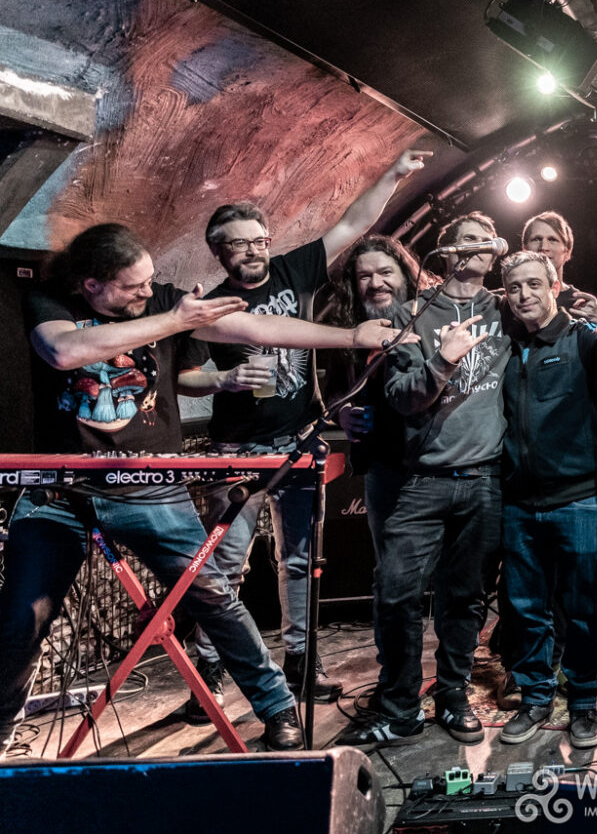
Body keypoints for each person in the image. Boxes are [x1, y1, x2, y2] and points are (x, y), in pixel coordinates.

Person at [0, 223, 399, 756]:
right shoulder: (50, 301)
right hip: (61, 494)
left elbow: (255, 327)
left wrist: (350, 337)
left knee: (215, 597)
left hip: (150, 489)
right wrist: (176, 320)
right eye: (134, 286)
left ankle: (277, 707)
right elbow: (63, 351)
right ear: (92, 285)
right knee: (19, 619)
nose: (148, 292)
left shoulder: (164, 301)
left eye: (150, 282)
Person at [180, 149, 430, 713]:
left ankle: (301, 662)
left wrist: (393, 175)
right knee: (225, 564)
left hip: (297, 442)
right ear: (218, 252)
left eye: (259, 240)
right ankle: (210, 669)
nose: (252, 251)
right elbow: (182, 378)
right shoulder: (207, 305)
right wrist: (223, 379)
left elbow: (353, 224)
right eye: (239, 244)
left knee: (300, 561)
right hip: (236, 451)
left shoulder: (295, 271)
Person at [337, 213, 509, 747]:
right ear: (447, 251)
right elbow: (403, 397)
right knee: (396, 592)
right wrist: (444, 361)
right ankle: (399, 707)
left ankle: (453, 696)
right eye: (468, 240)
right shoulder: (409, 315)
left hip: (483, 480)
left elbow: (558, 299)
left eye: (487, 241)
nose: (479, 248)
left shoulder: (505, 309)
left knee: (465, 598)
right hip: (420, 479)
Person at [494, 251, 597, 750]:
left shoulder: (582, 338)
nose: (524, 295)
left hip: (578, 498)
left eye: (534, 284)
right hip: (518, 501)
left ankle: (583, 703)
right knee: (525, 608)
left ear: (554, 286)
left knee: (582, 609)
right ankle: (536, 698)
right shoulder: (505, 343)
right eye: (514, 287)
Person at [324, 236, 437, 700]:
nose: (375, 283)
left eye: (385, 272)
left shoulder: (432, 314)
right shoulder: (347, 328)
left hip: (440, 464)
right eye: (364, 275)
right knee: (392, 580)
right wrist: (342, 414)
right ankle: (396, 681)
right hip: (385, 469)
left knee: (450, 581)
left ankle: (452, 681)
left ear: (405, 273)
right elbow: (333, 393)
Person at [521, 211, 597, 321]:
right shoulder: (506, 301)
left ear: (567, 252)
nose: (543, 247)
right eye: (537, 239)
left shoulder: (589, 307)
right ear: (524, 249)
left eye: (552, 240)